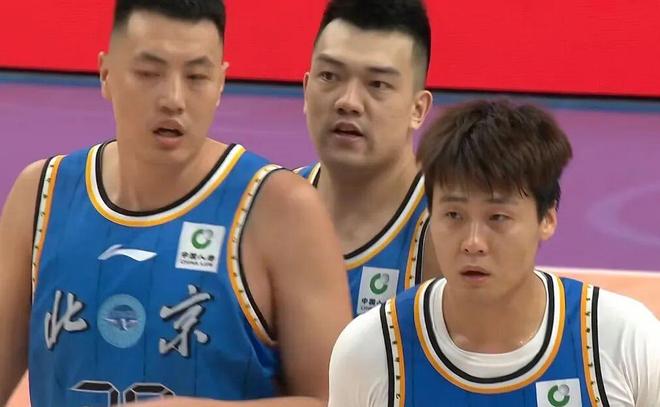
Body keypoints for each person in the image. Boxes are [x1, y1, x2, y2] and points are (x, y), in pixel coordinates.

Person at [0, 1, 352, 406]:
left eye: (196, 77)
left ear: (221, 84)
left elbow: (338, 400)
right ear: (106, 74)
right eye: (149, 73)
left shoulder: (283, 210)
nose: (173, 98)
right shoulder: (42, 196)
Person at [327, 99, 660, 406]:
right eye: (453, 215)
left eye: (497, 217)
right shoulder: (372, 351)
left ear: (547, 219)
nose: (473, 242)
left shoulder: (623, 340)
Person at [298, 0, 440, 317]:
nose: (348, 102)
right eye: (329, 76)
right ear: (306, 89)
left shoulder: (448, 232)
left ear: (418, 109)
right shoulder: (271, 207)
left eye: (377, 84)